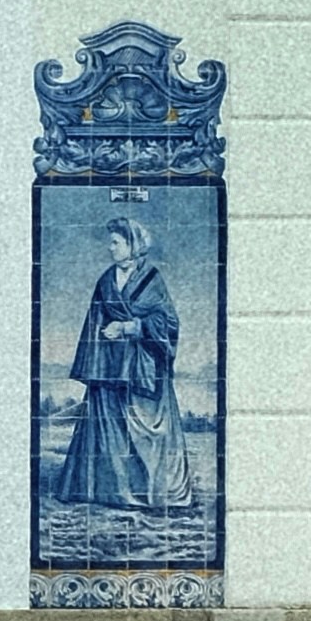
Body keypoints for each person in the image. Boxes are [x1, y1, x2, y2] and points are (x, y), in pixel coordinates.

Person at [57, 216, 188, 512]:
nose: (110, 248)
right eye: (111, 242)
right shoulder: (105, 281)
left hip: (144, 369)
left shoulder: (153, 280)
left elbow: (168, 323)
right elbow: (93, 324)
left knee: (146, 431)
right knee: (108, 432)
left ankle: (149, 491)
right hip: (109, 369)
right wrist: (97, 361)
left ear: (133, 245)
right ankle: (110, 491)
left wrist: (130, 327)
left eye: (116, 242)